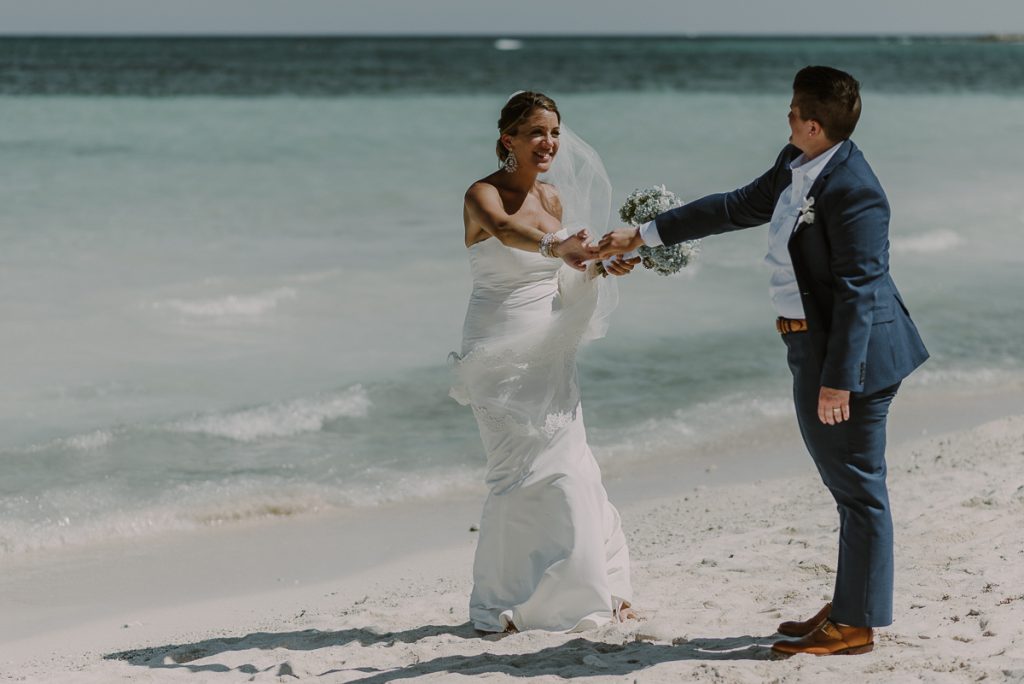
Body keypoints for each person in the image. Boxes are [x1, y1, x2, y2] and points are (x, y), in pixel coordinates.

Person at [598, 66, 928, 656]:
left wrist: (838, 383)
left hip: (852, 359)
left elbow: (860, 288)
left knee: (858, 488)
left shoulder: (855, 190)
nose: (786, 117)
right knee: (847, 483)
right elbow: (736, 206)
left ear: (814, 124)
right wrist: (645, 234)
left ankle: (855, 625)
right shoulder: (797, 162)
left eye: (793, 110)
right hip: (812, 346)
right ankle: (851, 602)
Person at [450, 91, 638, 633]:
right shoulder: (481, 194)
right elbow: (511, 233)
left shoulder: (553, 199)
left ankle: (596, 589)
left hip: (549, 349)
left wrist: (599, 268)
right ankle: (510, 597)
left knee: (571, 466)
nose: (549, 143)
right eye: (536, 132)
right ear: (508, 138)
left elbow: (564, 275)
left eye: (554, 132)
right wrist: (559, 244)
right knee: (516, 472)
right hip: (497, 347)